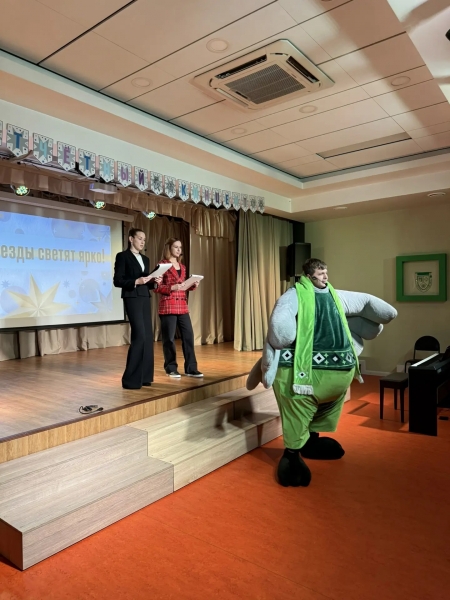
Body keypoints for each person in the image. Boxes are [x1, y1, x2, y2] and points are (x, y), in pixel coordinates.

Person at [246, 258, 397, 487]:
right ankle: (292, 453)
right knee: (298, 410)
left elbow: (367, 304)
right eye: (320, 273)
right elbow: (280, 326)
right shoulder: (294, 295)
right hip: (298, 374)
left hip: (337, 377)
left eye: (326, 272)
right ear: (308, 276)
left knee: (323, 411)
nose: (325, 276)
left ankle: (311, 440)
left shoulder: (336, 295)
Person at [113, 228, 161, 390]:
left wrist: (154, 281)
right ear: (131, 239)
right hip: (132, 297)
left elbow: (146, 282)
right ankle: (130, 380)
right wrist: (136, 281)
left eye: (144, 239)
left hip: (144, 297)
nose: (142, 241)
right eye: (139, 238)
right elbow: (118, 280)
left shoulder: (145, 259)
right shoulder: (122, 256)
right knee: (139, 335)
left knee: (147, 337)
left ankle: (145, 377)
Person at [154, 237, 203, 378]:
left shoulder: (183, 266)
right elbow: (156, 287)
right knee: (169, 339)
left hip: (182, 305)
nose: (178, 250)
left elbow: (183, 286)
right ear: (169, 248)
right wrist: (172, 287)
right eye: (176, 247)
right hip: (168, 305)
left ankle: (191, 368)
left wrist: (193, 285)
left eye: (180, 247)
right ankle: (171, 367)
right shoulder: (162, 265)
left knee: (188, 336)